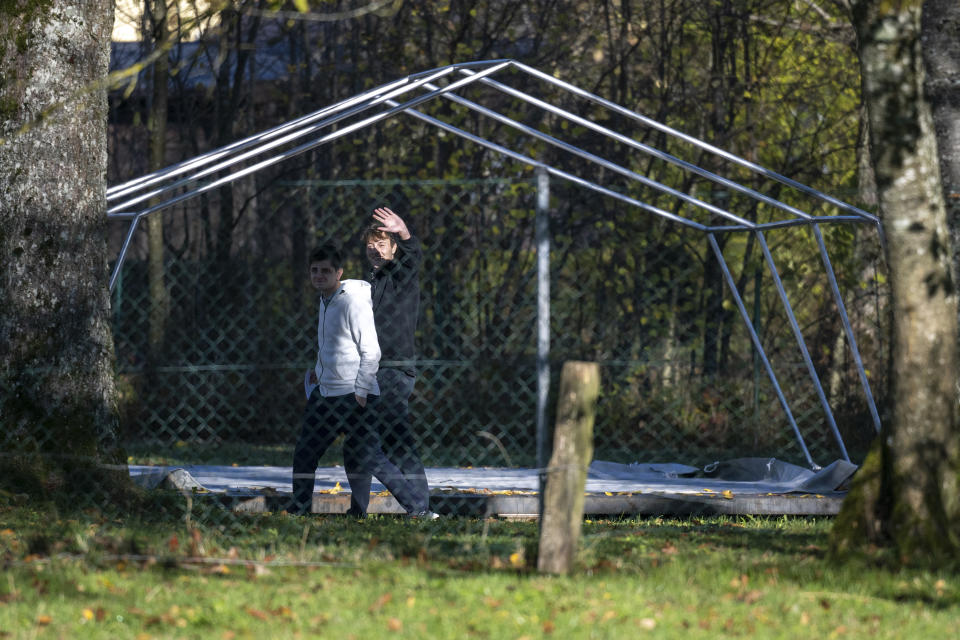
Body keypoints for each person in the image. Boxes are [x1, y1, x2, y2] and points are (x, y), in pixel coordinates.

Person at [289, 242, 421, 516]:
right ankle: (300, 509)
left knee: (372, 457)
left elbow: (371, 350)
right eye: (314, 271)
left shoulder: (352, 302)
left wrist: (361, 390)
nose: (319, 276)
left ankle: (419, 508)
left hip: (353, 396)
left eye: (325, 271)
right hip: (324, 394)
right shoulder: (325, 300)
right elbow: (333, 343)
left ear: (339, 273)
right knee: (304, 453)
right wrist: (319, 369)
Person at [344, 207, 433, 518]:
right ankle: (367, 510)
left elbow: (413, 259)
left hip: (393, 369)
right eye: (371, 244)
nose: (375, 249)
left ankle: (418, 506)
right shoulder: (372, 280)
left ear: (394, 248)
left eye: (382, 244)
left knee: (372, 443)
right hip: (372, 369)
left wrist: (404, 233)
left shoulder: (400, 274)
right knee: (396, 441)